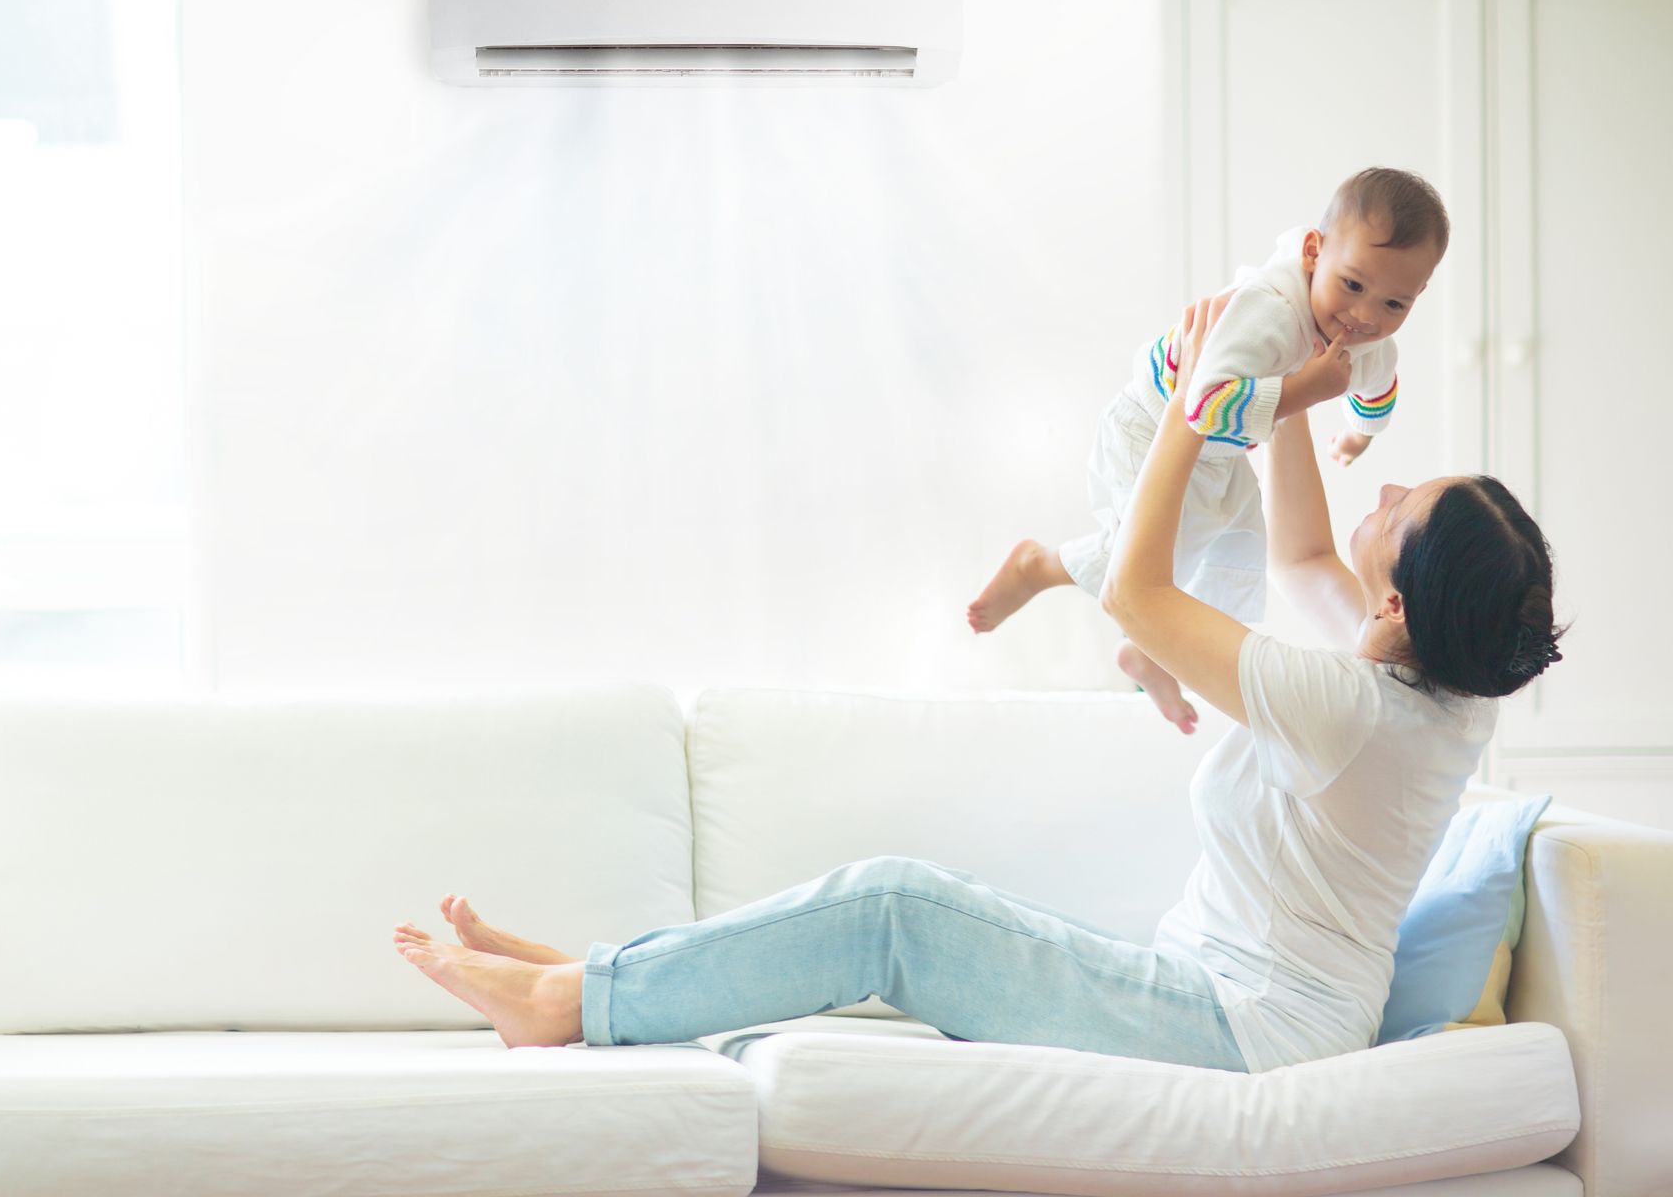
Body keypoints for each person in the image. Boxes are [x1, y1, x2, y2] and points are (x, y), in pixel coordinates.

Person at [393, 293, 1563, 1073]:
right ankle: (590, 980)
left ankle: (564, 1004)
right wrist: (1292, 378)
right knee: (920, 905)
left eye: (1402, 509)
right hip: (1221, 999)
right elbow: (1306, 556)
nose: (1386, 490)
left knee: (894, 907)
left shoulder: (1351, 710)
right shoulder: (1429, 689)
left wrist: (1195, 404)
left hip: (1236, 1031)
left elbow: (1140, 597)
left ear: (1399, 603)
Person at [967, 167, 1448, 737]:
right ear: (1314, 252)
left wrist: (1357, 434)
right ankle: (1041, 566)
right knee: (1155, 549)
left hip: (1218, 452)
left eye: (1395, 303)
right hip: (1151, 426)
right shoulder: (1269, 310)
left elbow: (1376, 386)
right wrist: (1304, 391)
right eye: (1352, 285)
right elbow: (1202, 405)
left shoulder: (1368, 336)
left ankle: (1153, 651)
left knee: (1235, 547)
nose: (1366, 316)